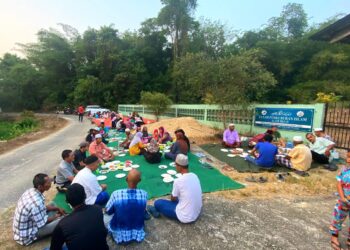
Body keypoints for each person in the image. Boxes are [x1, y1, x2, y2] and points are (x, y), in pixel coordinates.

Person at [49, 184, 109, 250]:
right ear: (85, 196)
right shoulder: (97, 209)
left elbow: (54, 248)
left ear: (67, 201)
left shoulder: (62, 224)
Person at [13, 174, 65, 245]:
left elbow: (42, 208)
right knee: (62, 220)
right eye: (48, 182)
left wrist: (57, 208)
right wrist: (56, 217)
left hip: (25, 228)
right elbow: (42, 223)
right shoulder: (36, 203)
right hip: (28, 236)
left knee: (53, 204)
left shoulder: (31, 191)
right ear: (40, 186)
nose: (50, 182)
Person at [148, 154, 202, 223]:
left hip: (185, 216)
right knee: (182, 197)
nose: (175, 167)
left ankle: (154, 210)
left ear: (179, 166)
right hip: (196, 212)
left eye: (176, 165)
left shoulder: (178, 181)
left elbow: (173, 199)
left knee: (158, 203)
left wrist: (174, 195)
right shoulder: (195, 176)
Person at [104, 169, 148, 244]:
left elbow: (108, 211)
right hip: (137, 234)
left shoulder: (116, 194)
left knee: (104, 217)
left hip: (119, 236)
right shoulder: (144, 194)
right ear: (139, 180)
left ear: (126, 179)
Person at [329, 150, 350, 250]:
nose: (348, 159)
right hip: (344, 201)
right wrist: (342, 198)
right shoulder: (344, 169)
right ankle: (334, 237)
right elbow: (339, 184)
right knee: (337, 219)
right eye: (348, 157)